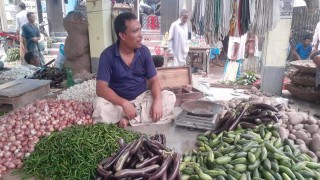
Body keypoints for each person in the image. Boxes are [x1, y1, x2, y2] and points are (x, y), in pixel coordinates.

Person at [93, 12, 176, 128]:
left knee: (169, 97)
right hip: (118, 103)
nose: (140, 35)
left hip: (141, 98)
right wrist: (124, 103)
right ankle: (137, 118)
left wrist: (157, 100)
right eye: (135, 31)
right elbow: (101, 88)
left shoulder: (144, 51)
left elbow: (153, 80)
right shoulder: (107, 56)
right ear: (122, 36)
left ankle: (127, 119)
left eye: (140, 30)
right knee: (99, 105)